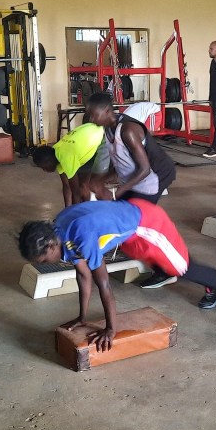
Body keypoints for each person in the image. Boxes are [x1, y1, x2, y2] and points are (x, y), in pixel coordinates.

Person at [17, 199, 216, 350]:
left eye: (44, 260)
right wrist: (82, 317)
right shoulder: (59, 229)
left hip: (148, 224)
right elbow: (82, 275)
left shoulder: (81, 236)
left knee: (181, 268)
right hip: (130, 228)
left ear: (51, 245)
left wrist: (111, 329)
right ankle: (213, 285)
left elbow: (104, 284)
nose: (46, 263)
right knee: (169, 263)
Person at [85, 93, 178, 289]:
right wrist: (102, 179)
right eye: (89, 114)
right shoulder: (108, 129)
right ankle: (125, 242)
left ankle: (165, 271)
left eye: (94, 114)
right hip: (139, 178)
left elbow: (144, 169)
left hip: (156, 176)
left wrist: (116, 192)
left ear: (108, 111)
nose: (91, 119)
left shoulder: (128, 130)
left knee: (138, 222)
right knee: (123, 214)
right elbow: (122, 162)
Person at [31, 123, 107, 207]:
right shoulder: (55, 153)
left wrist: (73, 213)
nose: (44, 170)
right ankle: (83, 209)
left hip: (102, 136)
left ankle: (104, 206)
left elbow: (75, 192)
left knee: (94, 184)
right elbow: (66, 186)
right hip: (86, 140)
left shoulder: (66, 159)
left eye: (43, 167)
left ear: (48, 162)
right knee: (82, 185)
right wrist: (67, 210)